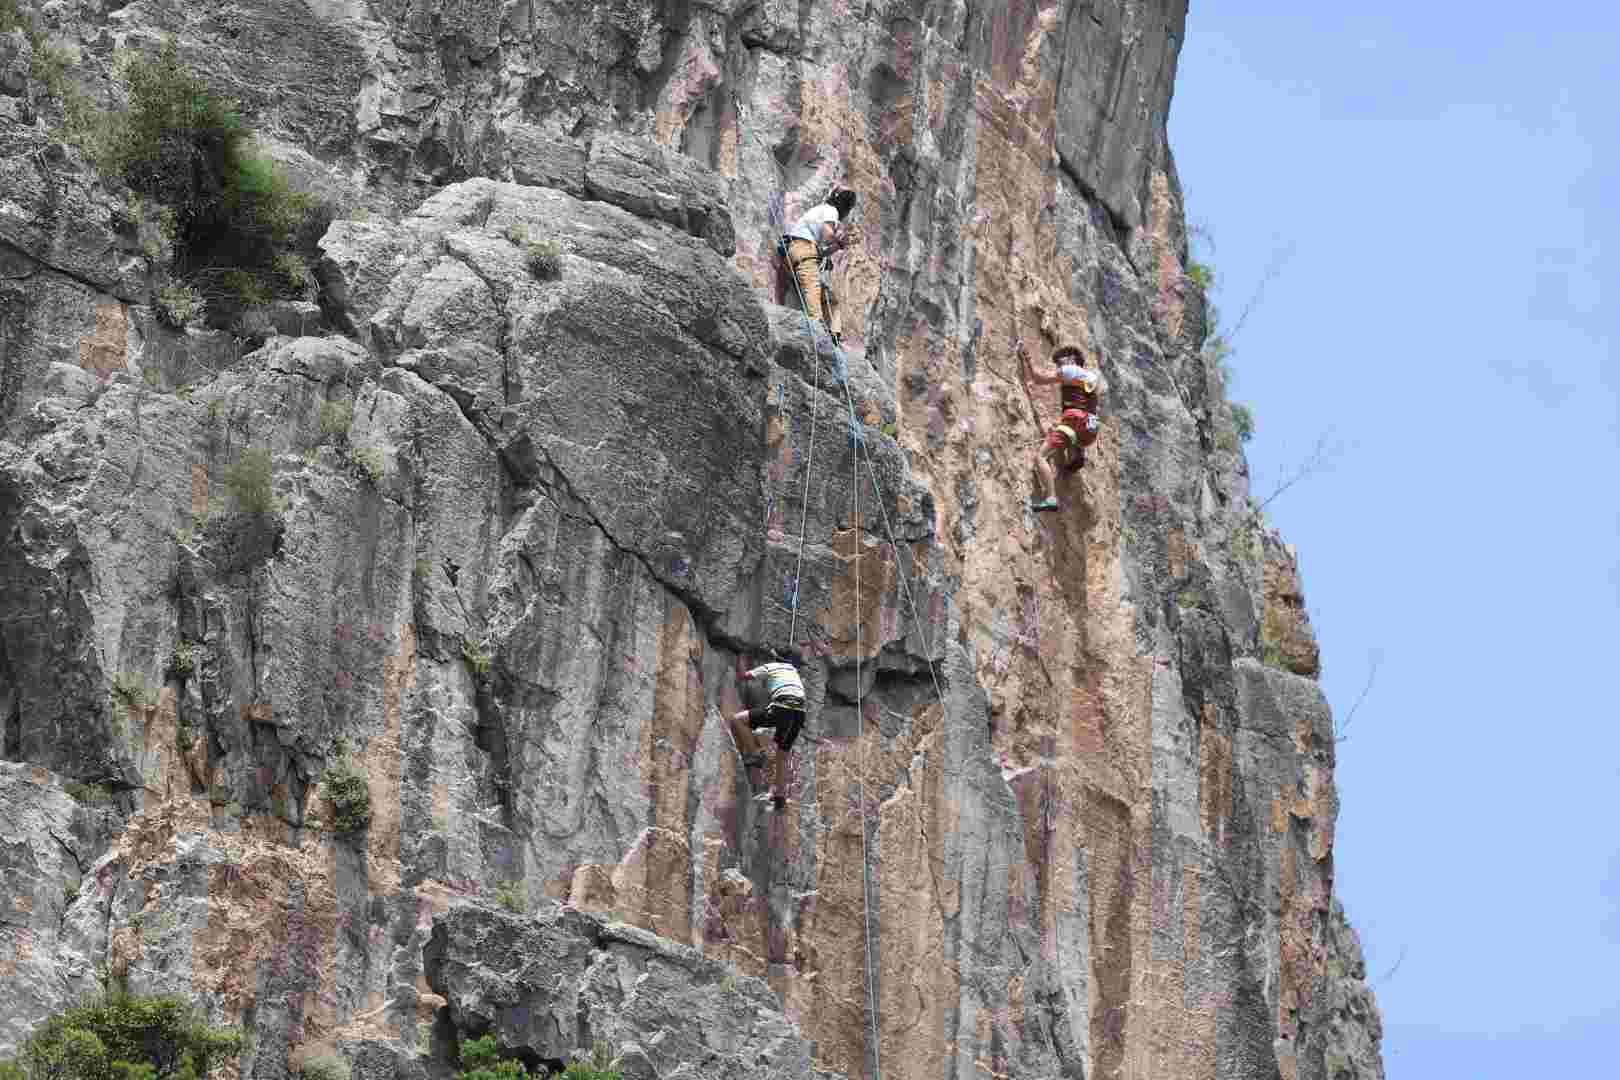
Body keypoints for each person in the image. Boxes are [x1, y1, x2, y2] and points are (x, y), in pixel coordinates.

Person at [1019, 339, 1101, 512]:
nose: (1058, 366)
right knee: (1069, 433)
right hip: (1090, 429)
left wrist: (1027, 357)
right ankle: (1076, 452)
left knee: (1040, 457)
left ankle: (1050, 498)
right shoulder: (1092, 378)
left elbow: (1038, 378)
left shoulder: (1071, 370)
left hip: (1075, 422)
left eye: (1060, 362)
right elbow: (1084, 406)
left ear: (1071, 359)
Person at [732, 649, 807, 811]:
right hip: (799, 713)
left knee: (738, 720)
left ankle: (755, 755)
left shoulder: (772, 666)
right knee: (782, 756)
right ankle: (780, 798)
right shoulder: (794, 672)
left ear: (777, 659)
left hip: (782, 707)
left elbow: (745, 676)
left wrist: (740, 664)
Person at [781, 187, 857, 343]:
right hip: (802, 249)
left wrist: (838, 245)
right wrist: (839, 239)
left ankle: (834, 336)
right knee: (813, 293)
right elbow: (827, 234)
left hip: (800, 252)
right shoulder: (830, 211)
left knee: (831, 300)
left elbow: (820, 252)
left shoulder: (821, 211)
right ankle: (817, 334)